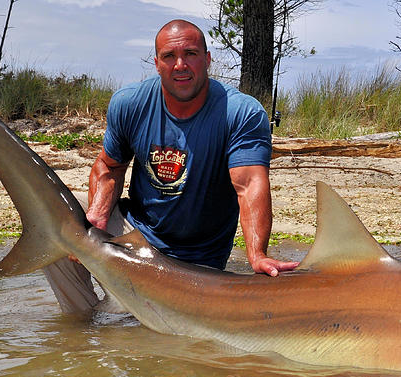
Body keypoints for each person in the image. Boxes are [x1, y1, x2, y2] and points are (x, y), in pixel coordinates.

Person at [43, 19, 299, 314]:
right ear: (156, 63)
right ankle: (82, 328)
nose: (180, 65)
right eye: (169, 56)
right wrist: (97, 217)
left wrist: (257, 254)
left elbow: (249, 183)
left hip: (197, 260)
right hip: (136, 232)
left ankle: (125, 313)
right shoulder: (130, 103)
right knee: (62, 221)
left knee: (166, 334)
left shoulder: (240, 112)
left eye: (190, 54)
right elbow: (109, 166)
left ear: (207, 59)